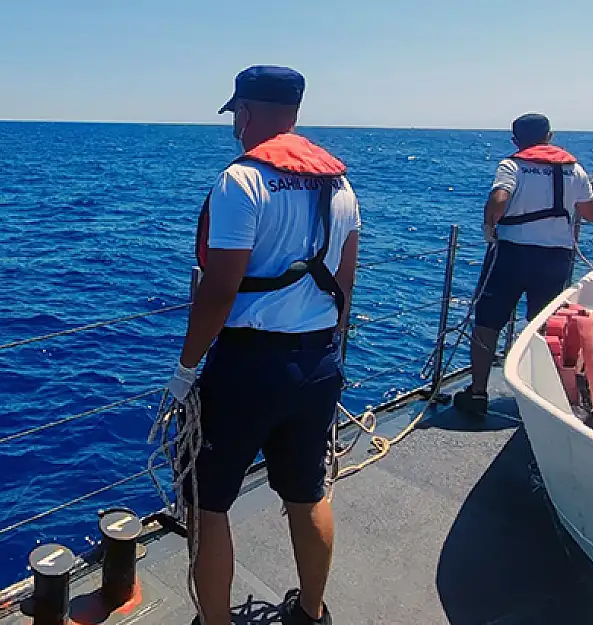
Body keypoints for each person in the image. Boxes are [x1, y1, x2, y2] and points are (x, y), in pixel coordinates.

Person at [166, 66, 360, 625]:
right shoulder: (340, 183)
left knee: (207, 504)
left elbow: (220, 288)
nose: (235, 128)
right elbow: (344, 283)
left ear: (246, 112)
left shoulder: (241, 182)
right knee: (306, 492)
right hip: (318, 361)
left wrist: (185, 369)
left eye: (236, 116)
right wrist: (326, 355)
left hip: (248, 368)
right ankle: (311, 612)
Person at [454, 114, 593, 416]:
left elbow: (500, 198)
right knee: (544, 326)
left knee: (487, 323)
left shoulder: (512, 165)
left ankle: (477, 393)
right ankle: (544, 393)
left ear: (516, 141)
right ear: (550, 136)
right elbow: (592, 213)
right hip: (554, 258)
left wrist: (490, 223)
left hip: (510, 255)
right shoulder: (573, 169)